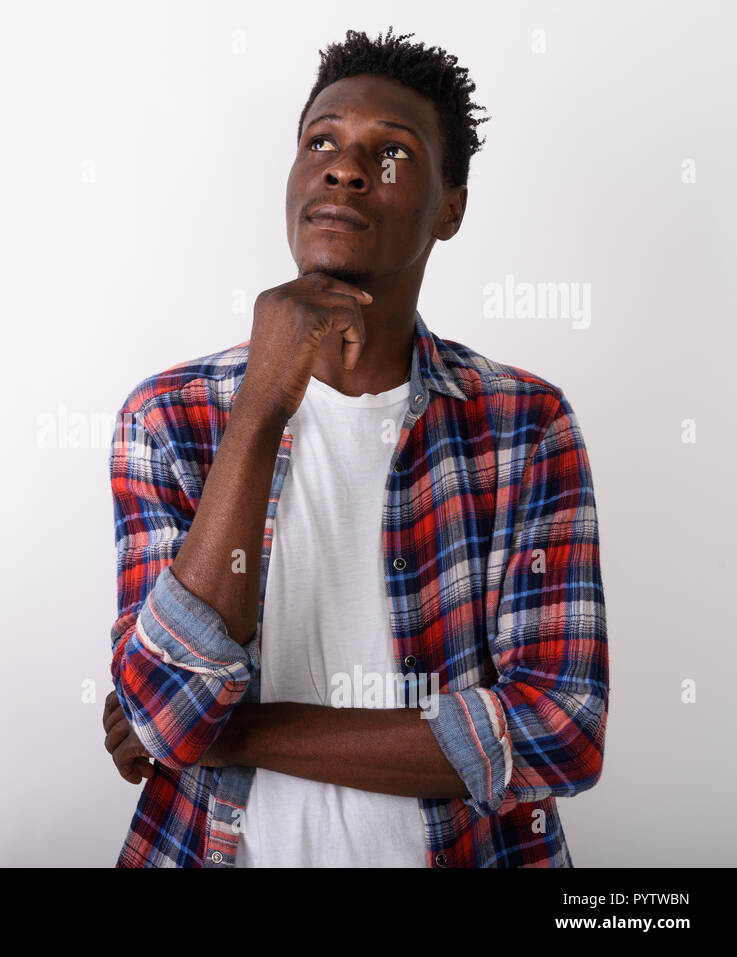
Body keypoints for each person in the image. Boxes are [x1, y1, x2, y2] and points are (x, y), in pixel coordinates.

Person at [102, 27, 608, 867]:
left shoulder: (525, 425)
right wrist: (262, 404)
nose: (345, 166)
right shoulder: (171, 418)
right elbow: (165, 711)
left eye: (395, 152)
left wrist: (234, 730)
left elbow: (561, 731)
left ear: (451, 208)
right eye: (322, 141)